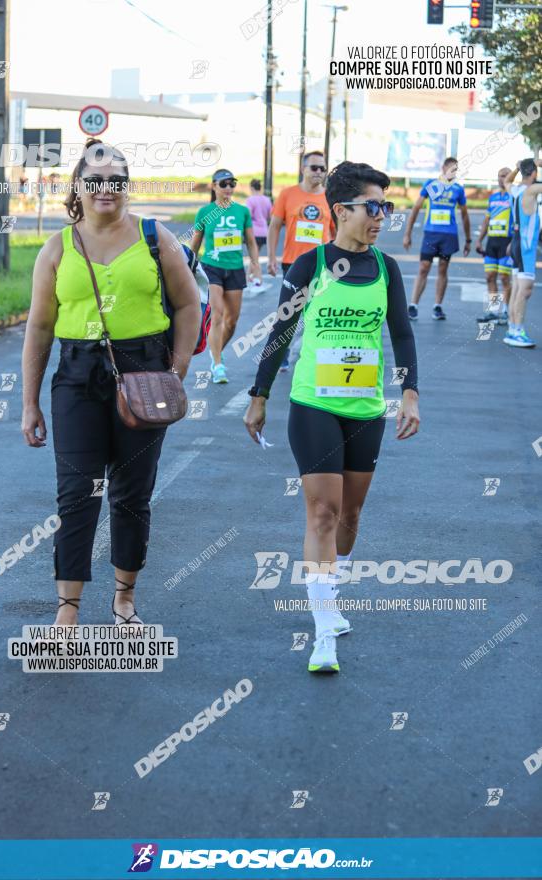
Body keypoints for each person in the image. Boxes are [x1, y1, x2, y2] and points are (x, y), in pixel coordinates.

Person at [244, 161, 420, 675]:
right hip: (314, 405)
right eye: (374, 207)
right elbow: (279, 335)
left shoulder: (386, 269)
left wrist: (409, 391)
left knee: (350, 516)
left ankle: (331, 587)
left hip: (365, 410)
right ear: (340, 210)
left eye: (386, 208)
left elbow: (402, 335)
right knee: (321, 513)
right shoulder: (311, 267)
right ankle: (323, 632)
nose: (382, 216)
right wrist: (260, 395)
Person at [21, 138, 200, 629]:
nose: (107, 188)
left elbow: (188, 306)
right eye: (96, 180)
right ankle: (68, 609)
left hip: (144, 373)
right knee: (77, 493)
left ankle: (124, 598)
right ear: (77, 185)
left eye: (117, 180)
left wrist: (176, 372)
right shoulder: (56, 248)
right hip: (76, 378)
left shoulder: (153, 237)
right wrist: (29, 404)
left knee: (132, 492)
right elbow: (39, 328)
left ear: (128, 186)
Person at [190, 169, 262, 384]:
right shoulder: (205, 212)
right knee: (218, 316)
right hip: (211, 267)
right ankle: (219, 365)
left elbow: (250, 241)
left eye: (232, 183)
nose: (228, 188)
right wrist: (188, 267)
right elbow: (195, 243)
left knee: (232, 321)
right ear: (214, 186)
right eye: (224, 184)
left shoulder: (242, 211)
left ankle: (215, 354)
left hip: (235, 268)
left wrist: (255, 265)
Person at [267, 151, 335, 370]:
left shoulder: (330, 197)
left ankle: (312, 351)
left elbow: (337, 232)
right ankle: (283, 352)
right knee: (290, 311)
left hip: (321, 263)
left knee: (317, 310)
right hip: (293, 261)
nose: (318, 173)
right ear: (303, 169)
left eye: (322, 169)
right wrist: (270, 257)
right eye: (314, 168)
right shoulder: (287, 194)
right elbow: (275, 226)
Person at [403, 157, 471, 321]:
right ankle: (413, 305)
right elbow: (416, 208)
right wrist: (408, 233)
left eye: (455, 169)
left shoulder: (458, 189)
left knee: (442, 268)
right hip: (431, 234)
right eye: (450, 168)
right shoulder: (431, 184)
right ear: (443, 168)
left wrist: (468, 239)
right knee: (423, 267)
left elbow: (464, 214)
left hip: (448, 235)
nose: (453, 172)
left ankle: (437, 306)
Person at [501, 157, 542, 347]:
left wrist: (517, 168)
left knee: (517, 288)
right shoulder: (531, 189)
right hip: (525, 247)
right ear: (534, 173)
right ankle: (517, 332)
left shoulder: (515, 189)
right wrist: (539, 163)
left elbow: (507, 181)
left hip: (516, 243)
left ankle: (512, 328)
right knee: (524, 291)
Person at [475, 167, 512, 325]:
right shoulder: (493, 197)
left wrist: (514, 242)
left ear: (511, 177)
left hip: (507, 241)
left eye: (504, 176)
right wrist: (479, 240)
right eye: (499, 176)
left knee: (504, 278)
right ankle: (493, 311)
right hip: (492, 242)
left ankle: (505, 311)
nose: (501, 178)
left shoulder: (514, 196)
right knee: (490, 276)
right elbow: (486, 220)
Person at [246, 179, 272, 293]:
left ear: (251, 188)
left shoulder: (250, 200)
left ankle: (258, 280)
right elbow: (269, 215)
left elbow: (248, 216)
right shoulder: (267, 200)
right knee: (254, 257)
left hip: (253, 232)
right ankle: (248, 279)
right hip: (264, 231)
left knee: (254, 258)